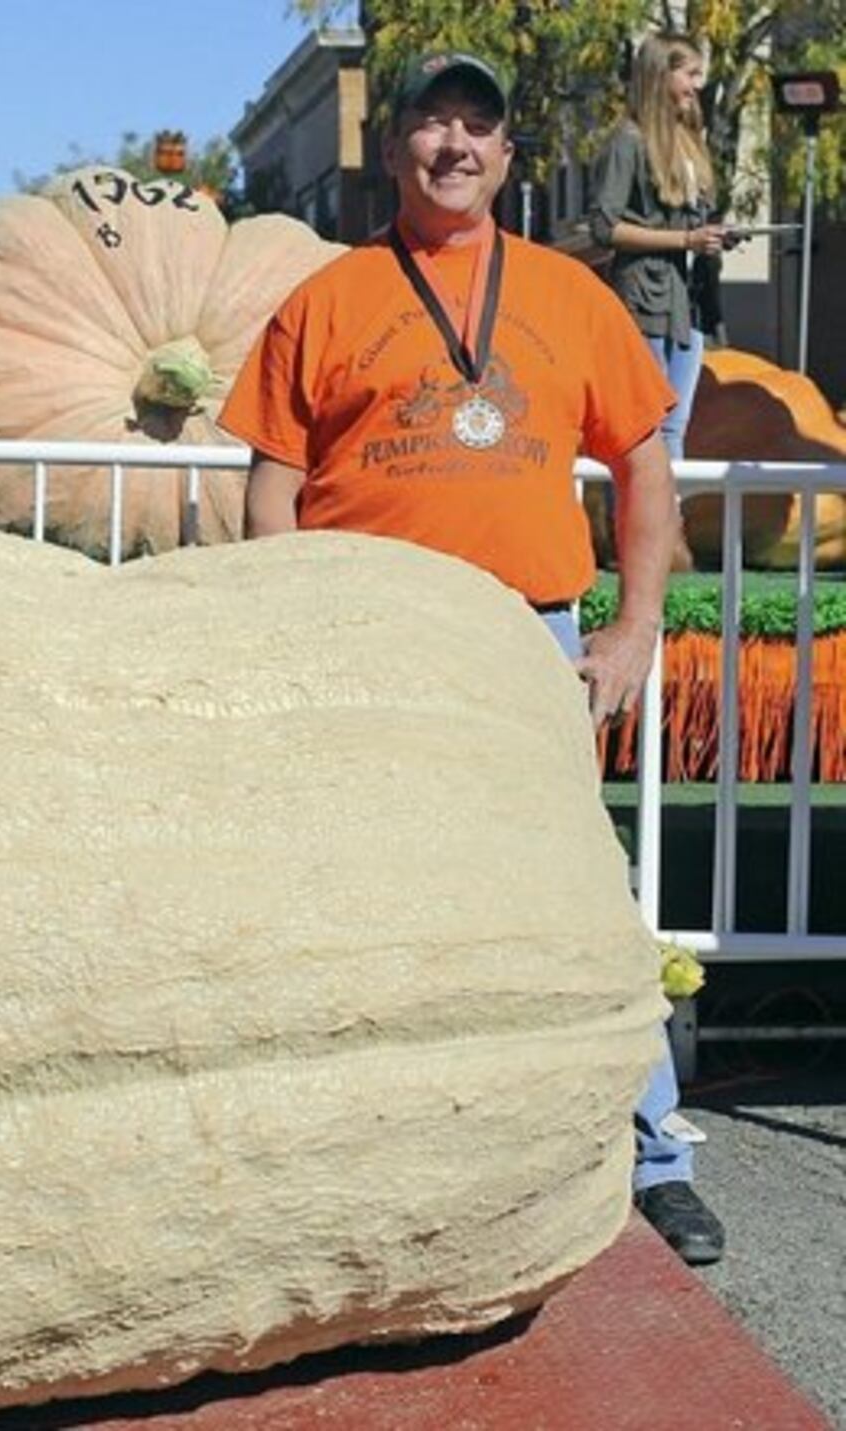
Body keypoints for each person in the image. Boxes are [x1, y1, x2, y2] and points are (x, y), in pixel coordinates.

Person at [218, 51, 724, 1266]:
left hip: (520, 633)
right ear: (394, 153)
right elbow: (271, 486)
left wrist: (630, 627)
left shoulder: (567, 295)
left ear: (505, 159)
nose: (453, 145)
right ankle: (351, 1161)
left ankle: (654, 1155)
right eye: (431, 125)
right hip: (363, 635)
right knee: (351, 892)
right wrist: (291, 629)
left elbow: (643, 463)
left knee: (575, 893)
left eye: (476, 129)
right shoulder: (324, 299)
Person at [590, 33, 733, 471]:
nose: (696, 84)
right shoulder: (627, 141)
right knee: (648, 425)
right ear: (661, 74)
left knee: (676, 425)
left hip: (689, 301)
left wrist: (715, 235)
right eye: (689, 73)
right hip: (646, 298)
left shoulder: (689, 139)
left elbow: (691, 221)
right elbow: (603, 226)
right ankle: (648, 529)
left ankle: (670, 528)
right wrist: (684, 241)